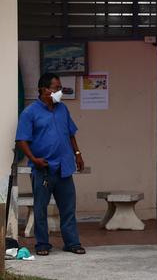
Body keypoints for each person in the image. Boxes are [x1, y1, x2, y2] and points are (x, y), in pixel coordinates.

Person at [15, 73, 86, 256]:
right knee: (40, 209)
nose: (59, 91)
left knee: (68, 208)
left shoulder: (62, 109)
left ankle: (72, 243)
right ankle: (42, 245)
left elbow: (71, 133)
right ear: (43, 89)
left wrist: (77, 154)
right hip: (43, 168)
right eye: (56, 88)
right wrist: (34, 159)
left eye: (60, 87)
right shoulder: (30, 112)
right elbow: (22, 140)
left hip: (64, 167)